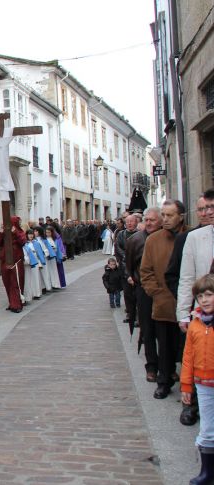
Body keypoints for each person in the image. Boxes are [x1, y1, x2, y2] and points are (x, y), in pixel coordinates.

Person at [140, 200, 188, 399]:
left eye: (170, 215)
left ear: (181, 217)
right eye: (164, 215)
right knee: (165, 344)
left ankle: (190, 384)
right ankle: (164, 379)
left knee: (187, 347)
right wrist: (157, 293)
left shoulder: (190, 236)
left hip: (188, 303)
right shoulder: (153, 240)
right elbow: (146, 271)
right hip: (164, 301)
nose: (165, 219)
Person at [176, 191, 214, 425]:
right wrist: (183, 312)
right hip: (204, 307)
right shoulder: (195, 237)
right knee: (196, 357)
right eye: (202, 209)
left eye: (211, 207)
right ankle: (192, 404)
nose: (207, 212)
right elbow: (187, 277)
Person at [180, 274, 214, 485]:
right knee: (207, 428)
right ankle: (207, 472)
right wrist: (186, 385)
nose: (204, 300)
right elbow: (188, 358)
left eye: (209, 295)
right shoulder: (195, 325)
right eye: (200, 296)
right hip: (203, 384)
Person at [126, 208, 163, 384]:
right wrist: (134, 279)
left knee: (164, 330)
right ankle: (151, 366)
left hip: (164, 290)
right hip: (143, 289)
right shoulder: (135, 240)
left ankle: (166, 366)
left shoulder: (167, 238)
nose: (148, 223)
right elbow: (130, 263)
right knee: (147, 329)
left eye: (152, 220)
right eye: (146, 220)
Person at [0, 216, 26, 313]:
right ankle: (12, 303)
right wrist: (0, 232)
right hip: (5, 260)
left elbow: (23, 241)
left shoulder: (19, 231)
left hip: (16, 261)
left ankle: (17, 304)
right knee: (7, 283)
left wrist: (15, 232)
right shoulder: (4, 232)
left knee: (16, 283)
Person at [117, 214, 139, 325]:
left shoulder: (139, 234)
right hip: (124, 268)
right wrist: (125, 256)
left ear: (136, 222)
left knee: (137, 293)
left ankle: (138, 316)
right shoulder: (121, 234)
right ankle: (130, 314)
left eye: (132, 221)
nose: (129, 223)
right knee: (127, 293)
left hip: (136, 268)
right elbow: (118, 247)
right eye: (128, 221)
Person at [22, 230, 42, 303]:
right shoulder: (25, 244)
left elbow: (40, 254)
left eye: (32, 234)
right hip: (28, 263)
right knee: (28, 279)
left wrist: (40, 263)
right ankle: (29, 294)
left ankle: (37, 293)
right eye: (29, 234)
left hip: (35, 261)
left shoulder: (36, 243)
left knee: (36, 278)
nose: (31, 236)